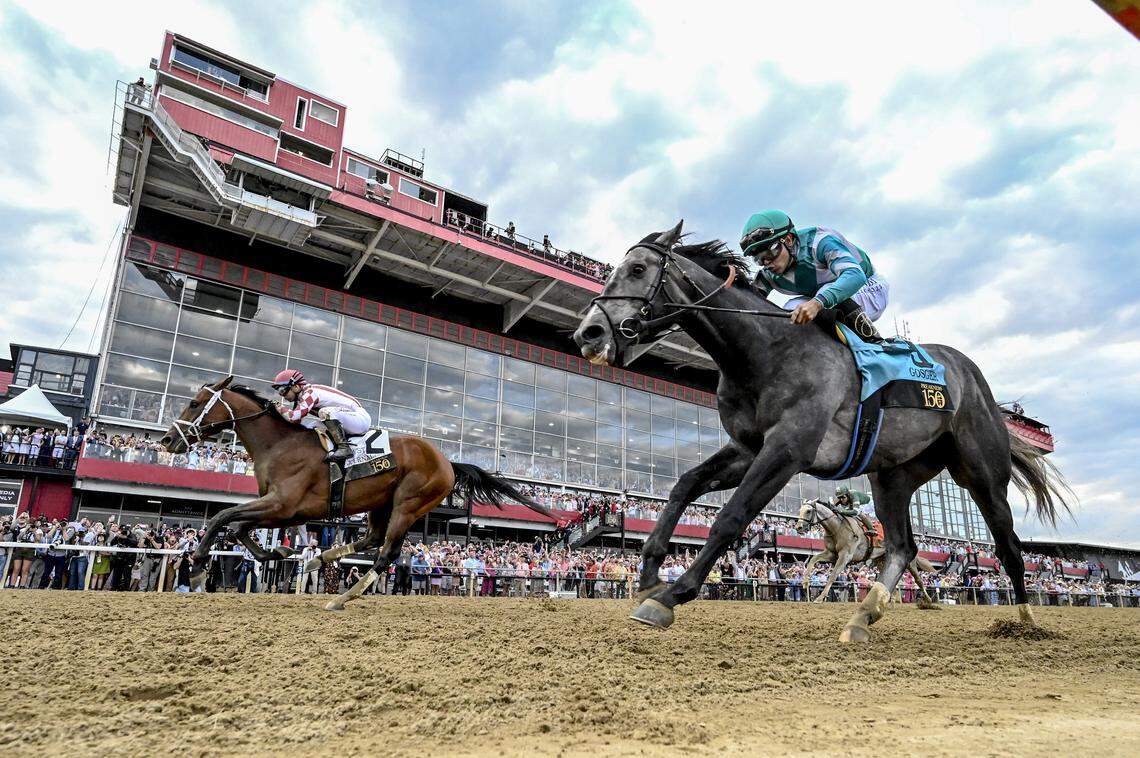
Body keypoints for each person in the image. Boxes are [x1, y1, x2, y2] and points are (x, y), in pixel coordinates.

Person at [740, 209, 888, 342]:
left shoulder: (821, 242)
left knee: (825, 294)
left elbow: (855, 275)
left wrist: (817, 303)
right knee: (789, 310)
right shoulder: (768, 274)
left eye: (769, 253)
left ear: (789, 240)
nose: (767, 263)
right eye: (758, 259)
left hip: (869, 287)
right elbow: (746, 302)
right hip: (825, 296)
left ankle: (875, 343)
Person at [270, 369, 372, 463]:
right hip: (347, 418)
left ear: (296, 387)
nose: (282, 395)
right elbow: (295, 422)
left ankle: (344, 448)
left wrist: (278, 407)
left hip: (359, 419)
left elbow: (293, 417)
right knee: (311, 427)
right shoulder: (302, 398)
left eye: (282, 390)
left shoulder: (310, 393)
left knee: (325, 412)